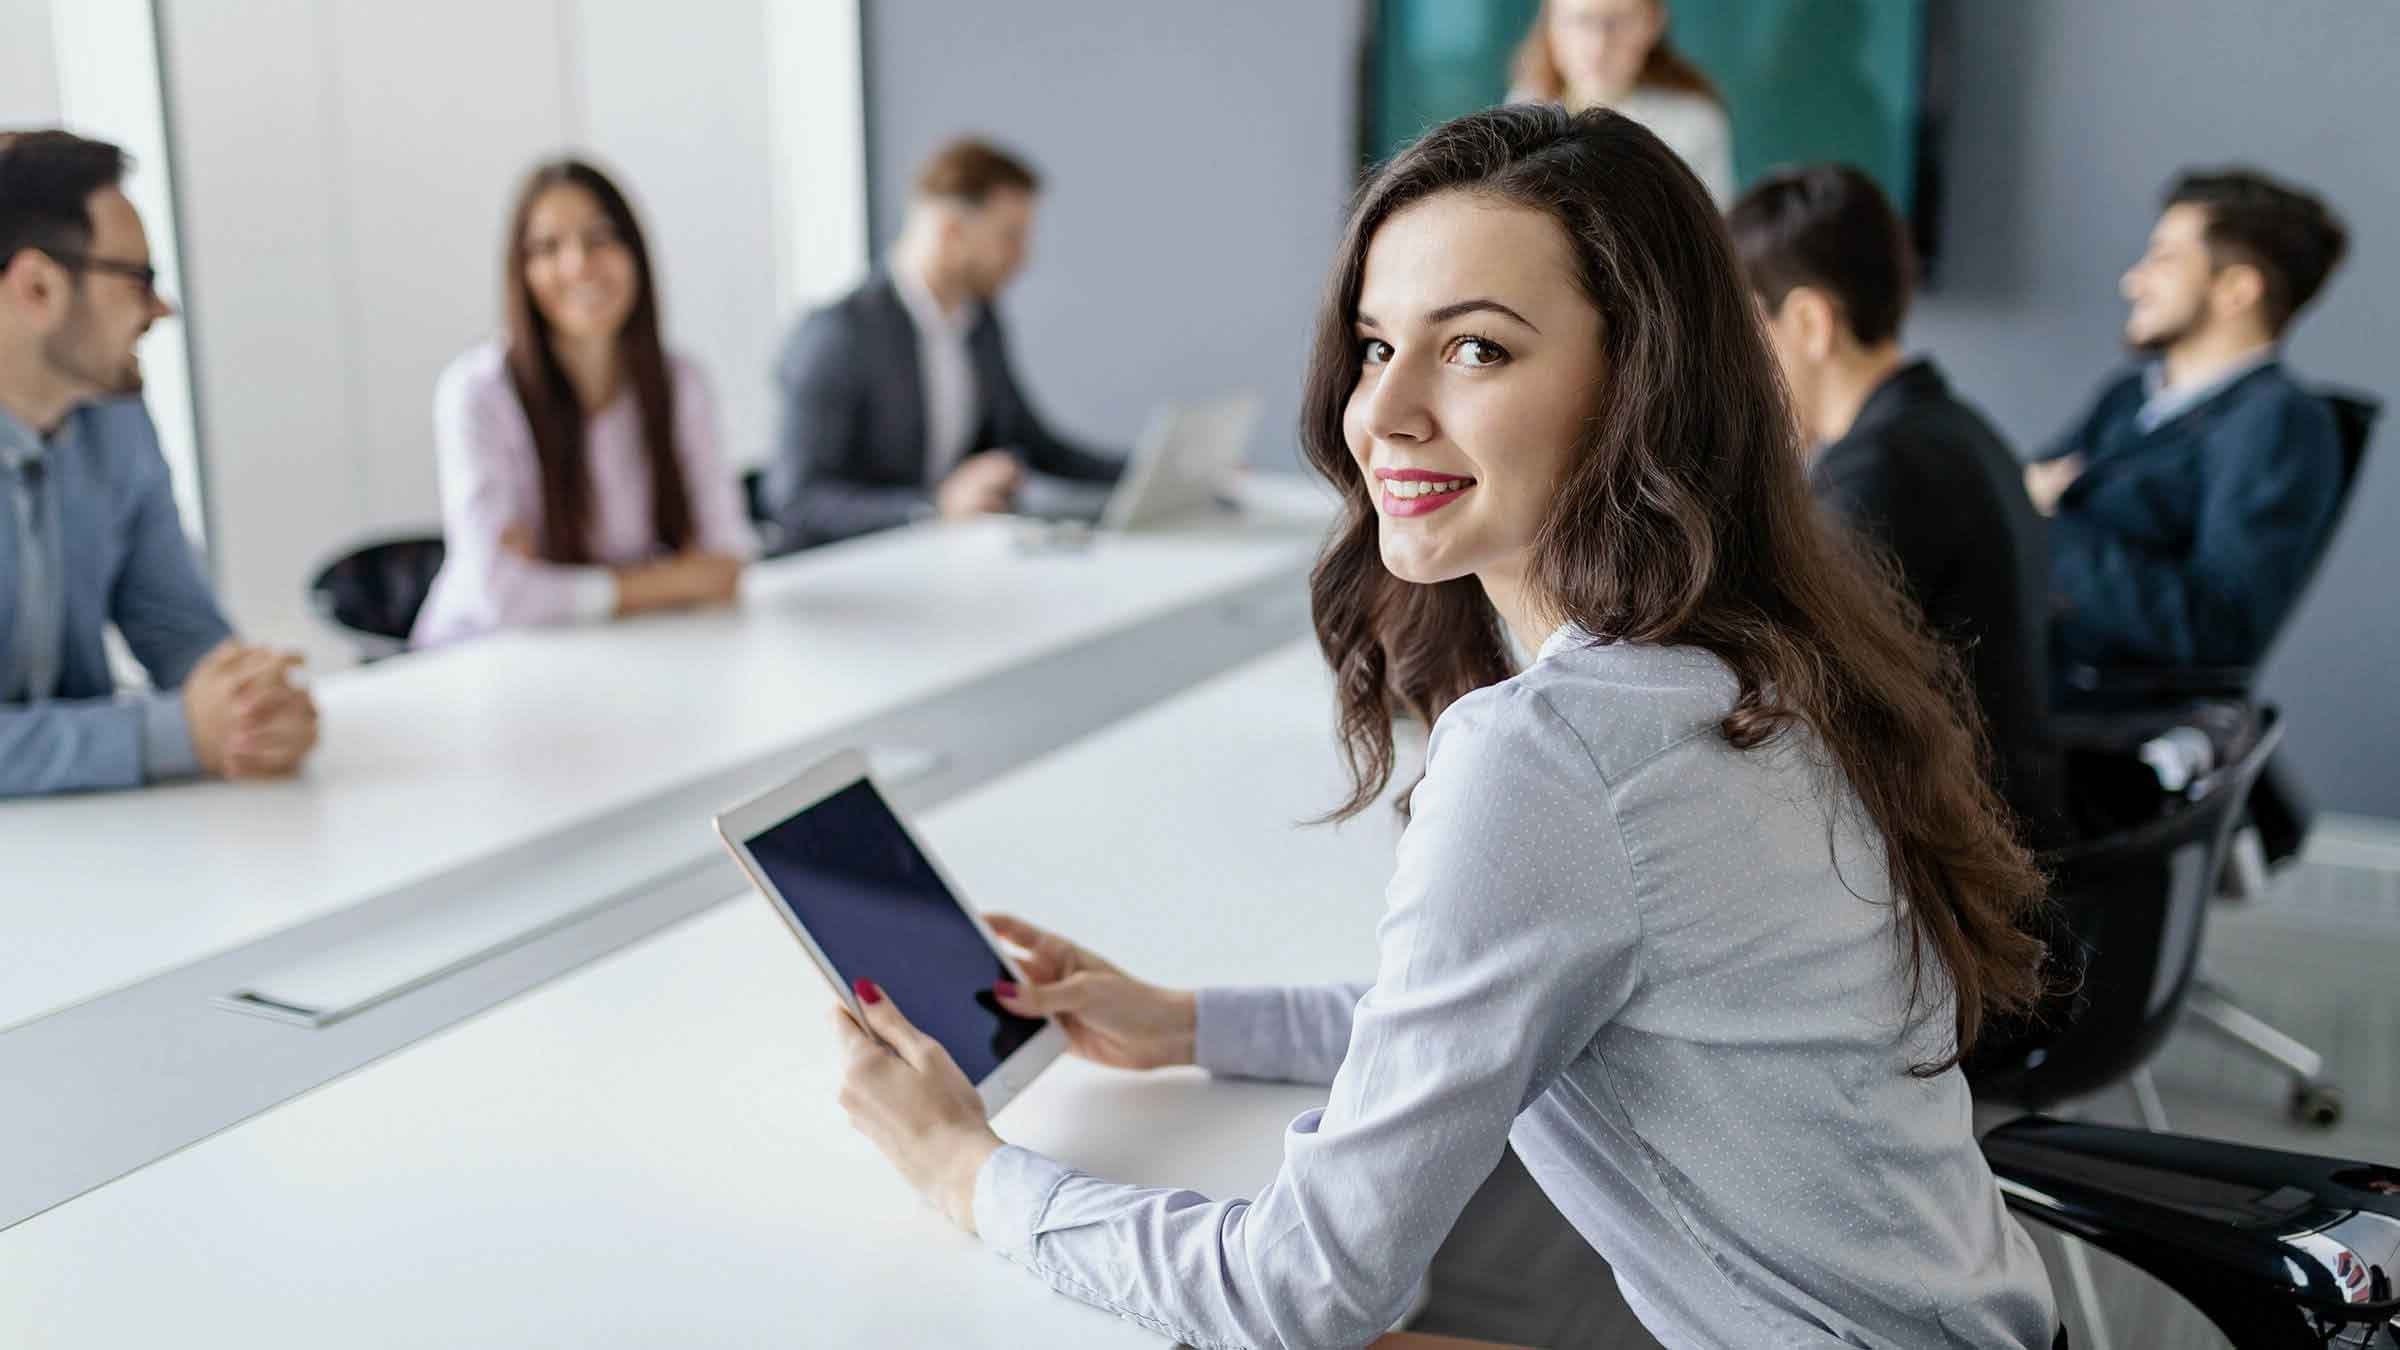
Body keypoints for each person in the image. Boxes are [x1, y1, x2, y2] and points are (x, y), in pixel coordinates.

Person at [824, 107, 2060, 1349]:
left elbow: (1298, 1294)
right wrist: (1188, 1022)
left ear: (1642, 379)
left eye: (1475, 350)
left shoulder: (1562, 752)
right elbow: (1490, 1006)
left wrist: (966, 1172)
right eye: (1373, 347)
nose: (1385, 413)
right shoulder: (1759, 652)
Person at [1730, 163, 2062, 845]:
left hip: (1959, 860)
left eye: (1742, 333)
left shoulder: (1879, 475)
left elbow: (1801, 698)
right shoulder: (1952, 426)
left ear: (1810, 321)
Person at [1, 129, 316, 797]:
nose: (161, 308)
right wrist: (173, 735)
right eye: (137, 279)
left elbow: (179, 629)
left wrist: (251, 706)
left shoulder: (114, 419)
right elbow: (180, 727)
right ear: (36, 289)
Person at [411, 159, 751, 647]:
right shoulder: (478, 392)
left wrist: (557, 587)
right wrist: (670, 578)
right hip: (481, 659)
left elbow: (726, 565)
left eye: (599, 239)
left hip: (620, 650)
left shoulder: (682, 384)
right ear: (521, 271)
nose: (578, 265)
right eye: (548, 248)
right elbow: (500, 596)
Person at [2028, 168, 2349, 672]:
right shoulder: (2129, 394)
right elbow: (2021, 489)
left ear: (2237, 289)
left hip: (2088, 707)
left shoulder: (2277, 422)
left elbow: (2217, 629)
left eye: (2164, 259)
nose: (2132, 281)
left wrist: (2042, 526)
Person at [765, 138, 1121, 548]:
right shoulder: (838, 335)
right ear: (951, 231)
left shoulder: (980, 323)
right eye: (1009, 236)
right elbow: (795, 499)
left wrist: (1147, 472)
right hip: (852, 574)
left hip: (943, 562)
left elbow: (1033, 442)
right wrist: (932, 508)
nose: (1023, 257)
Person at [1509, 0, 1734, 206]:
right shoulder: (1523, 108)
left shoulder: (1693, 122)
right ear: (1551, 22)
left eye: (1620, 22)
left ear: (1653, 23)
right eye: (1581, 21)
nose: (1599, 44)